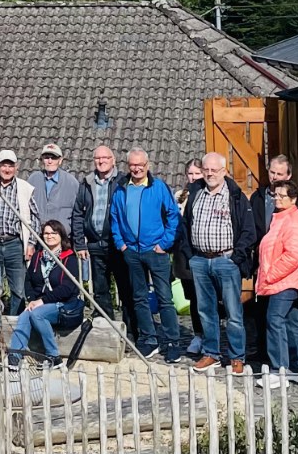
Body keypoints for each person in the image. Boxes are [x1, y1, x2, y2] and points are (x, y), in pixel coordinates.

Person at [179, 151, 256, 374]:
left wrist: (236, 258)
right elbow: (184, 226)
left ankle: (236, 357)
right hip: (201, 261)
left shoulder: (236, 195)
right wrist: (190, 255)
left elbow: (248, 231)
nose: (210, 174)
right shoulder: (195, 192)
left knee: (233, 313)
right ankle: (211, 353)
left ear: (224, 171)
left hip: (226, 260)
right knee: (205, 311)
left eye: (214, 170)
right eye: (206, 170)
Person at [110, 148, 182, 362]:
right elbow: (114, 217)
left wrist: (165, 243)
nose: (137, 168)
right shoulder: (121, 188)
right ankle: (149, 339)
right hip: (132, 251)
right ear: (128, 166)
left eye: (140, 164)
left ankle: (172, 342)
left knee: (165, 298)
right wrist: (121, 244)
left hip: (156, 251)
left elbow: (173, 215)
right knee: (139, 298)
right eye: (132, 164)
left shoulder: (159, 187)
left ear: (147, 165)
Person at [256, 179, 298, 386]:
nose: (277, 199)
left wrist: (270, 274)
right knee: (294, 321)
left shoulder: (293, 220)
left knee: (275, 320)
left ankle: (280, 370)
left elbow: (293, 255)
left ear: (293, 199)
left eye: (282, 196)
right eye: (275, 195)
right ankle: (296, 367)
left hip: (285, 280)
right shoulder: (281, 217)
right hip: (286, 279)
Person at [9, 220, 83, 367]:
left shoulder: (69, 258)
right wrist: (32, 299)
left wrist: (42, 301)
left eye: (53, 233)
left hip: (64, 304)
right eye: (46, 233)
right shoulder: (38, 257)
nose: (49, 236)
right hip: (41, 302)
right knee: (25, 314)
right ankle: (15, 355)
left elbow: (68, 288)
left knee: (37, 314)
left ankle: (53, 356)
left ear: (61, 235)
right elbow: (28, 280)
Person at [71, 144, 129, 326]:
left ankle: (130, 332)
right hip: (95, 244)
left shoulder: (123, 182)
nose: (101, 161)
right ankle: (107, 329)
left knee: (126, 289)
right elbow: (78, 214)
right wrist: (80, 243)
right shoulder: (86, 183)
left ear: (113, 160)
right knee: (100, 290)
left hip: (118, 245)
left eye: (105, 158)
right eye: (98, 158)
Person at [0, 150, 36, 315]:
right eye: (3, 165)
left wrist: (31, 244)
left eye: (10, 166)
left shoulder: (25, 188)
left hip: (15, 243)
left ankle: (15, 323)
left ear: (17, 167)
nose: (7, 169)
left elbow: (35, 219)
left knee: (18, 289)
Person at [174, 157, 204, 355]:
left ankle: (211, 334)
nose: (193, 178)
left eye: (197, 174)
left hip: (201, 252)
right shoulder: (179, 196)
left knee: (206, 298)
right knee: (192, 297)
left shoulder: (206, 194)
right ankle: (198, 334)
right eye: (190, 174)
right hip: (183, 254)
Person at [31, 143, 80, 232]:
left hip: (62, 238)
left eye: (53, 158)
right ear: (42, 160)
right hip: (37, 236)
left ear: (60, 160)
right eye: (46, 158)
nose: (50, 161)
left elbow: (78, 213)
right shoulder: (33, 180)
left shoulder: (71, 183)